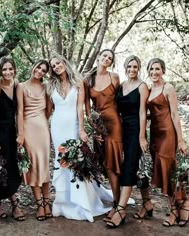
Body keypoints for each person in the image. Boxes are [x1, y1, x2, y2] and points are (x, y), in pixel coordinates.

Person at [47, 53, 113, 223]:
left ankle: (82, 203)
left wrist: (82, 129)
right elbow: (49, 110)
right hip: (57, 127)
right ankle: (63, 203)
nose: (56, 67)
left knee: (76, 161)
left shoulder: (78, 81)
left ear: (64, 62)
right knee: (61, 161)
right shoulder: (51, 85)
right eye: (53, 66)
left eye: (58, 63)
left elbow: (80, 107)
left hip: (73, 126)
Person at [134, 58, 188, 227]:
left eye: (157, 69)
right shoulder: (149, 90)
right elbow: (150, 113)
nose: (154, 72)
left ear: (163, 71)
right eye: (151, 69)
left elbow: (174, 115)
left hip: (168, 135)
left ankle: (173, 210)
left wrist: (180, 140)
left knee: (167, 170)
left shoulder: (168, 88)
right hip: (155, 135)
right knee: (166, 171)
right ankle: (180, 204)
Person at [106, 55, 149, 228]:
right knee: (133, 166)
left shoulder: (142, 86)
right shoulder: (122, 85)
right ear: (125, 68)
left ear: (139, 69)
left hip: (136, 130)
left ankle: (121, 210)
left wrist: (141, 137)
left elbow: (142, 113)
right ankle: (147, 203)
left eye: (135, 67)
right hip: (120, 129)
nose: (132, 70)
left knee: (129, 166)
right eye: (129, 67)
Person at [0, 57, 25, 221]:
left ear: (14, 69)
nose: (8, 72)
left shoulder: (17, 85)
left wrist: (21, 134)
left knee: (12, 166)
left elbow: (20, 111)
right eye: (4, 70)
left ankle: (5, 203)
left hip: (11, 131)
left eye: (10, 69)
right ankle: (6, 204)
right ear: (0, 71)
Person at [84, 49, 122, 221]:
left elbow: (122, 101)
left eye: (110, 58)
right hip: (98, 126)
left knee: (112, 164)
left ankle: (117, 204)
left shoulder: (114, 77)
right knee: (104, 164)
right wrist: (92, 127)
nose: (107, 59)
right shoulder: (87, 79)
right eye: (105, 56)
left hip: (114, 124)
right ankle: (116, 199)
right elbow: (86, 106)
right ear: (98, 57)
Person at [16, 60, 52, 221]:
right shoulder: (21, 86)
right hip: (28, 131)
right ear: (34, 66)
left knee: (44, 166)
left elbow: (49, 109)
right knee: (33, 167)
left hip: (43, 130)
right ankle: (39, 205)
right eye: (39, 67)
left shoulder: (46, 88)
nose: (40, 71)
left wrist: (42, 122)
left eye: (44, 70)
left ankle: (47, 203)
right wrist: (21, 134)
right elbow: (20, 111)